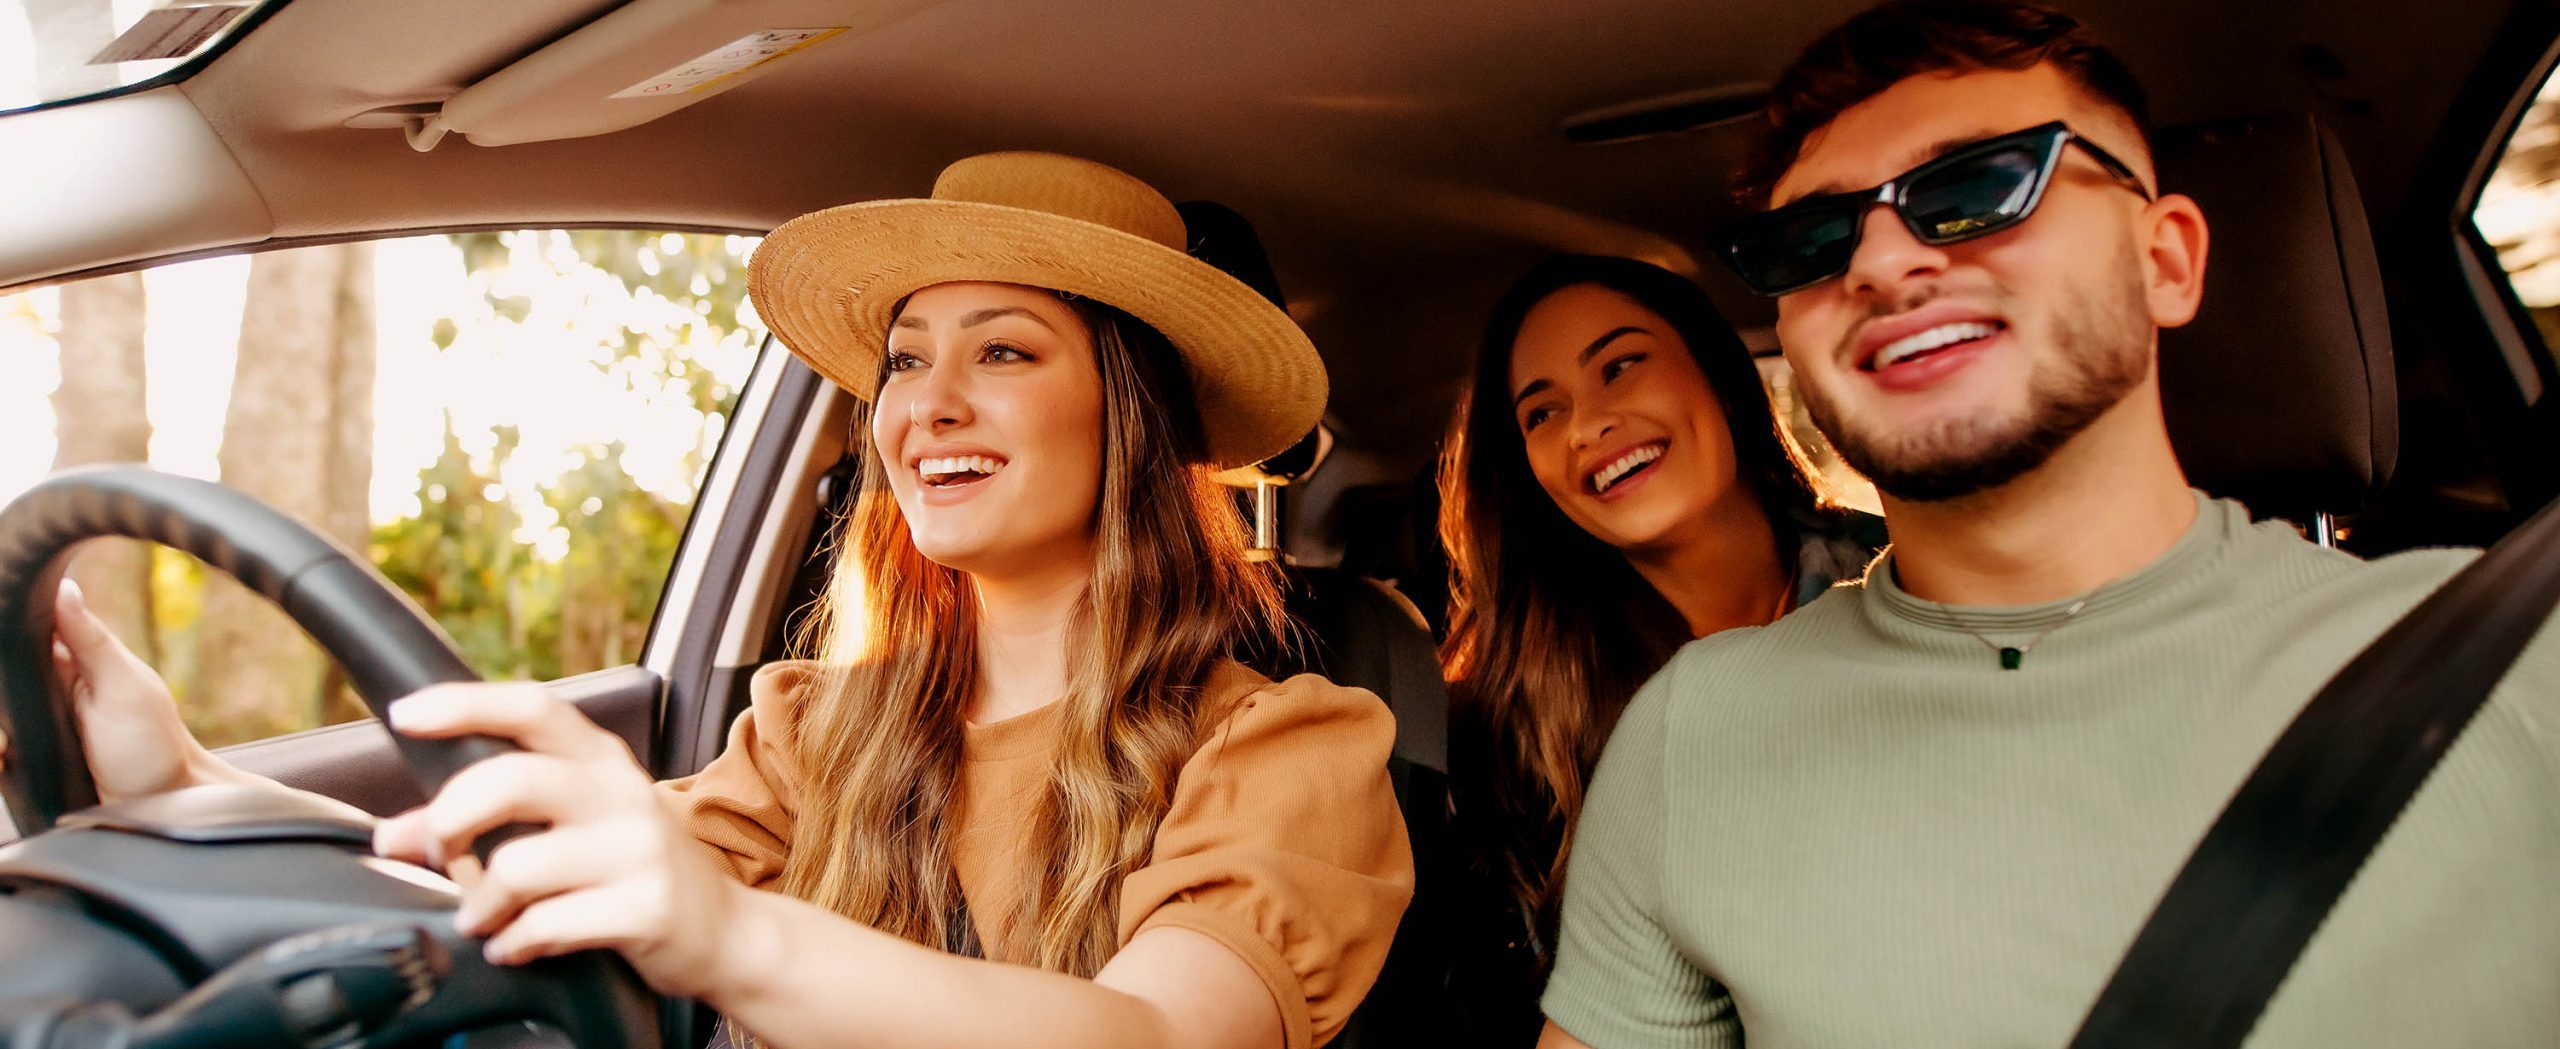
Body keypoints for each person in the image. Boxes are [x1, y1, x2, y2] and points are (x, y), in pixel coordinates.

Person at [37, 151, 1413, 1049]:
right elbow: (534, 893)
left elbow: (1157, 1039)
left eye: (1003, 352)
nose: (927, 404)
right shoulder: (817, 724)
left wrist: (733, 935)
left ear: (1129, 415)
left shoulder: (1287, 746)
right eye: (906, 361)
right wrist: (193, 780)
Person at [1536, 2, 2560, 1047]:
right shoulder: (1690, 739)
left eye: (1980, 185)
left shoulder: (2516, 660)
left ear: (2165, 261)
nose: (1880, 264)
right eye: (1812, 239)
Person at [1435, 255, 1880, 1043]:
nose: (1586, 426)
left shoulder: (1901, 583)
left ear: (1715, 371)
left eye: (1621, 365)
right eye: (1541, 413)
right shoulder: (1511, 718)